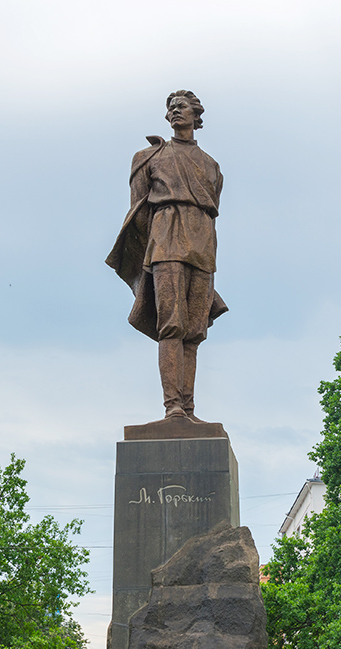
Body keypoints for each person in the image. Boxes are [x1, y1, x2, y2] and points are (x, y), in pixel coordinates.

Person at [106, 90, 227, 421]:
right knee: (171, 325)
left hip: (202, 245)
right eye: (171, 107)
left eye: (182, 107)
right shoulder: (148, 157)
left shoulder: (212, 166)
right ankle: (172, 407)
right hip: (166, 240)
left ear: (196, 115)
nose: (175, 111)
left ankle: (188, 408)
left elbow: (213, 207)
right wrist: (155, 247)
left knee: (194, 331)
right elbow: (138, 211)